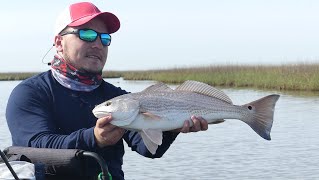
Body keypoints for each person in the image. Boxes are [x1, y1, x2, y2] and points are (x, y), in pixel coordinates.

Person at [6, 2, 208, 179]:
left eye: (105, 38)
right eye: (86, 34)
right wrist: (94, 139)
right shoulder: (30, 93)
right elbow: (34, 146)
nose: (97, 44)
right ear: (59, 43)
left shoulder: (117, 96)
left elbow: (148, 149)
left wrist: (171, 126)